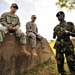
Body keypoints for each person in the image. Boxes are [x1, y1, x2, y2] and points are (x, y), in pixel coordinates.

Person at [53, 11, 75, 75]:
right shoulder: (56, 27)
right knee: (59, 62)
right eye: (57, 16)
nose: (59, 17)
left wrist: (69, 32)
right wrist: (54, 35)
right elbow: (54, 37)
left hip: (68, 45)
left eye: (60, 15)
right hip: (58, 46)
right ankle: (62, 73)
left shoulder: (70, 24)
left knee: (71, 61)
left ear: (63, 16)